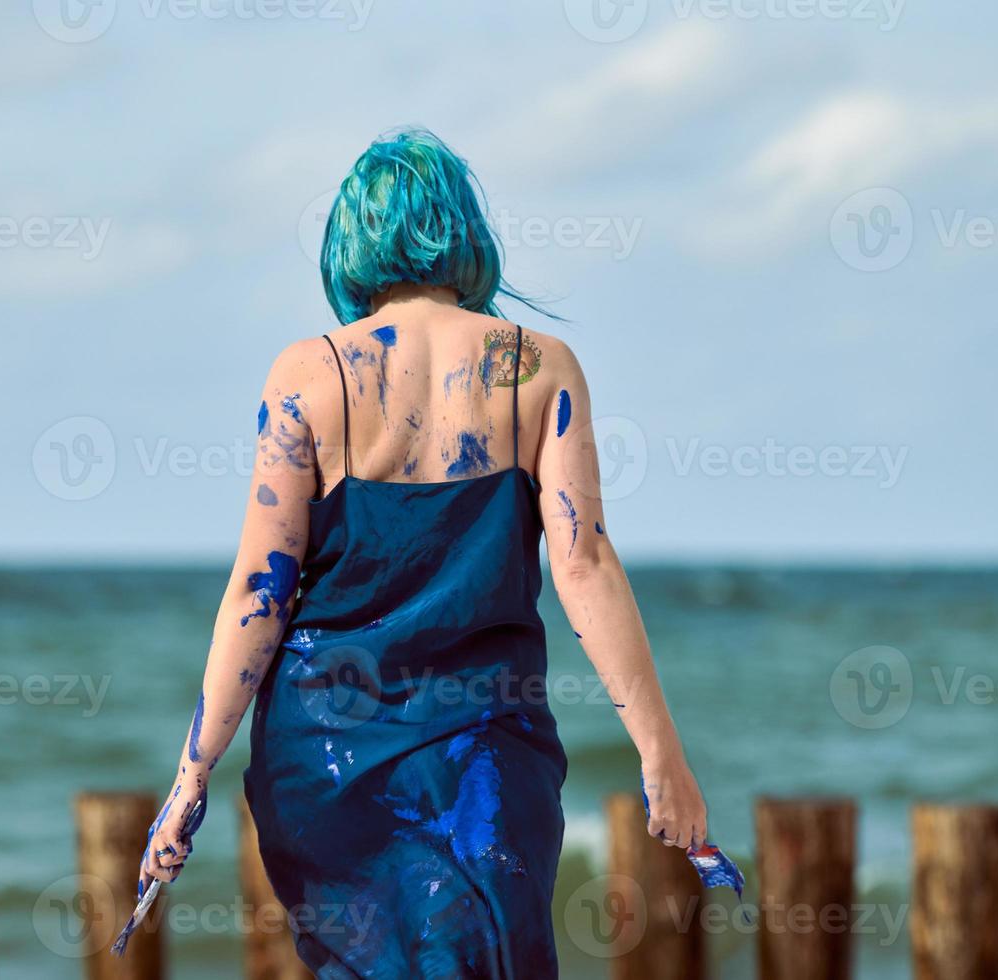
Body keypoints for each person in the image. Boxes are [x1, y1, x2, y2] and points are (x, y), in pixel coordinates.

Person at [138, 128, 707, 977]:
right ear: (465, 230)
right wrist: (660, 754)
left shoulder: (308, 375)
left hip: (325, 752)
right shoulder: (538, 368)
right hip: (486, 752)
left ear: (351, 242)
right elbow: (584, 567)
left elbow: (259, 593)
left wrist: (193, 774)